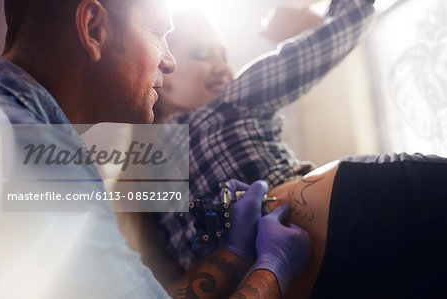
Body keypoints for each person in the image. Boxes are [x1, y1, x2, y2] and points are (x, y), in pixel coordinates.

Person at [0, 0, 311, 298]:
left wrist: (230, 255)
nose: (169, 61)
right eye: (159, 34)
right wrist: (273, 270)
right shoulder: (31, 158)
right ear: (93, 29)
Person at [142, 0, 447, 297]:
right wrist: (303, 19)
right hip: (379, 213)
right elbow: (350, 19)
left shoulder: (148, 196)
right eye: (201, 54)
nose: (223, 67)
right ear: (162, 68)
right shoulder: (226, 105)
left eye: (223, 55)